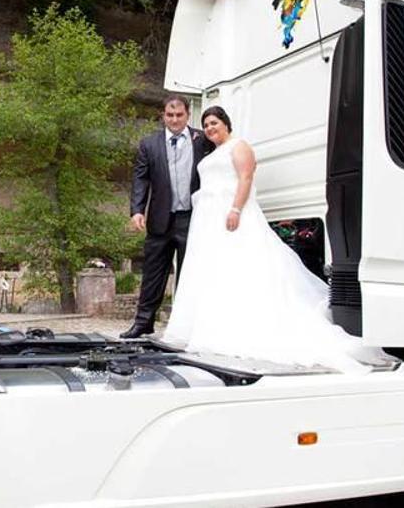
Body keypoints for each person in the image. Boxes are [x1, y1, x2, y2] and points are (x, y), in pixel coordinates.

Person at [161, 106, 381, 372]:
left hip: (230, 213)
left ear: (226, 124)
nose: (209, 128)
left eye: (214, 123)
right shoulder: (212, 153)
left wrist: (235, 209)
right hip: (207, 219)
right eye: (206, 124)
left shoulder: (239, 146)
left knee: (241, 265)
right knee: (215, 271)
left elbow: (245, 177)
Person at [121, 96, 214, 339]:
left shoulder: (202, 140)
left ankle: (185, 326)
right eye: (170, 115)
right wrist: (137, 210)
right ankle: (143, 322)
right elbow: (141, 179)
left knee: (189, 274)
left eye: (179, 115)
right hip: (160, 218)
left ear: (187, 116)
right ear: (163, 115)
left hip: (192, 218)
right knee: (153, 273)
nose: (174, 120)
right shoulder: (148, 144)